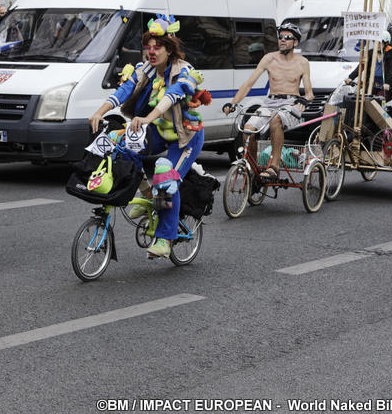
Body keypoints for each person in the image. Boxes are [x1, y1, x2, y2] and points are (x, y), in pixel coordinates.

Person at [88, 17, 204, 259]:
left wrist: (147, 119)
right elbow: (124, 90)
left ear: (169, 49)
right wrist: (100, 112)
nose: (151, 52)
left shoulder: (185, 71)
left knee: (166, 178)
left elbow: (171, 97)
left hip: (185, 137)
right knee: (122, 148)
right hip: (160, 133)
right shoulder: (146, 70)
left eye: (157, 47)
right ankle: (148, 195)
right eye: (148, 47)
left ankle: (164, 238)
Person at [222, 22, 314, 181]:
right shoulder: (269, 58)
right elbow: (248, 84)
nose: (282, 40)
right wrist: (233, 103)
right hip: (269, 102)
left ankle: (274, 166)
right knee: (248, 129)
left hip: (290, 104)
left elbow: (309, 93)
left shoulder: (302, 62)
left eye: (287, 37)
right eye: (280, 37)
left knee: (276, 120)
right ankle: (253, 169)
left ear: (295, 42)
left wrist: (304, 101)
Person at [344, 28, 392, 101]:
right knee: (366, 101)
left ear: (386, 43)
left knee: (378, 100)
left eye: (380, 43)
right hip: (372, 84)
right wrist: (351, 77)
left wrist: (388, 83)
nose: (377, 45)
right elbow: (361, 66)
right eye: (375, 42)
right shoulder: (370, 53)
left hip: (385, 85)